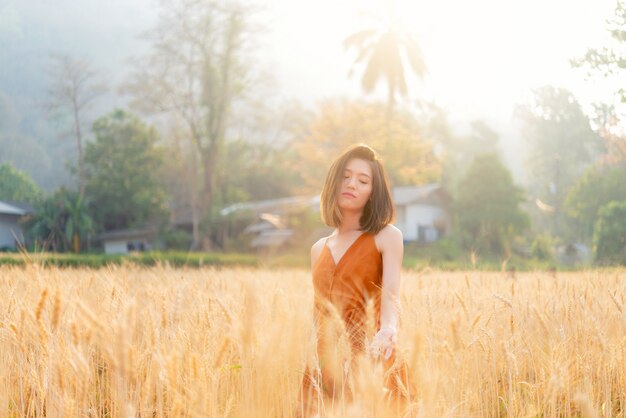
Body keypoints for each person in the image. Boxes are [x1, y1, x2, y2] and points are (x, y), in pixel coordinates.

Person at [298, 144, 413, 417]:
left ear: (373, 192)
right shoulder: (318, 249)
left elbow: (391, 297)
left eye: (363, 181)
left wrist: (388, 332)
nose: (352, 184)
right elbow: (318, 313)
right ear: (334, 181)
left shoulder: (387, 237)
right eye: (346, 176)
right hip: (323, 361)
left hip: (369, 357)